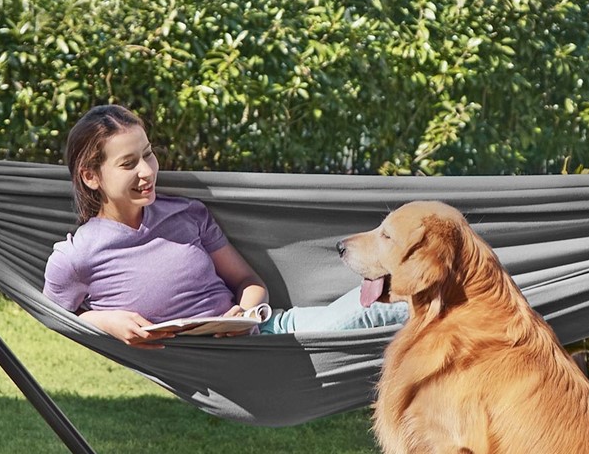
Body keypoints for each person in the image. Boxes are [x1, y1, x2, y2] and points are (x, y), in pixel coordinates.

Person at [43, 104, 406, 348]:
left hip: (264, 334)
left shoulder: (186, 213)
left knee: (391, 303)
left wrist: (246, 313)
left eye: (148, 154)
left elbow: (248, 282)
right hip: (206, 363)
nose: (147, 171)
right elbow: (53, 317)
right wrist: (104, 323)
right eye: (128, 164)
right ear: (91, 176)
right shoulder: (78, 255)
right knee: (397, 309)